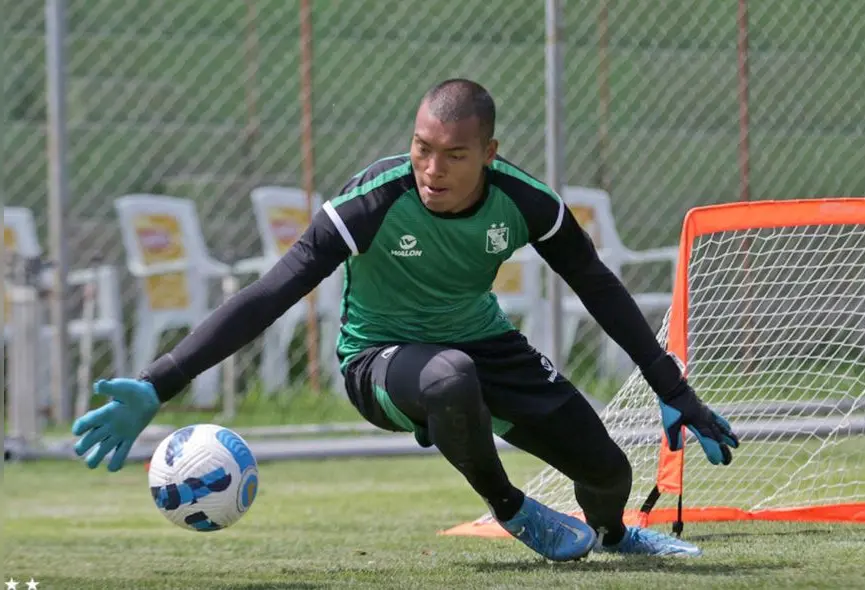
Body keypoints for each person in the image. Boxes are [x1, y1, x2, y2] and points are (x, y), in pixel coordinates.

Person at [72, 78, 739, 562]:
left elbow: (597, 285)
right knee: (449, 378)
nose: (431, 168)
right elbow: (268, 294)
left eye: (453, 154)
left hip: (484, 345)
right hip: (381, 361)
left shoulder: (526, 203)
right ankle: (511, 508)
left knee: (605, 470)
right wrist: (160, 382)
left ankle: (615, 537)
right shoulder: (370, 204)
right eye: (422, 148)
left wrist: (672, 390)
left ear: (490, 152)